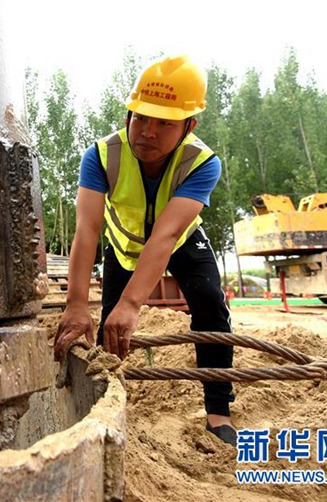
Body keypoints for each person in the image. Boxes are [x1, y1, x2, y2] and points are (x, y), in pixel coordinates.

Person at [53, 55, 236, 445]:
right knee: (109, 327)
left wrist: (134, 304)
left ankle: (218, 411)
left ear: (189, 126)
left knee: (210, 303)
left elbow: (167, 237)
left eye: (164, 123)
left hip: (182, 243)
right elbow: (87, 230)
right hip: (122, 249)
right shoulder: (101, 156)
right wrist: (75, 303)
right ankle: (105, 401)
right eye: (141, 118)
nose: (148, 132)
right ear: (128, 115)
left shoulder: (202, 163)